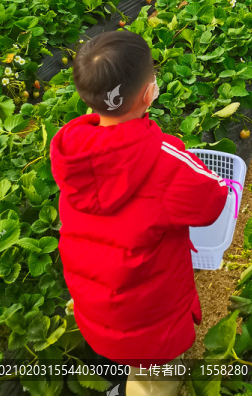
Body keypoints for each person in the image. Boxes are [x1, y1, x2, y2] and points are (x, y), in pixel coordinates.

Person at [50, 30, 229, 395]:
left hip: (98, 311)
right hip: (150, 319)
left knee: (136, 365)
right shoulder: (163, 158)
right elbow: (213, 200)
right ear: (149, 93)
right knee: (155, 383)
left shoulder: (72, 151)